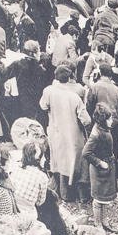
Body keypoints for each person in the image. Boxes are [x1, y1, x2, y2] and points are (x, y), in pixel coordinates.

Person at [39, 60, 87, 203]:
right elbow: (86, 119)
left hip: (55, 130)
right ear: (69, 77)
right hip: (72, 134)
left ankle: (58, 191)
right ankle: (70, 194)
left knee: (57, 159)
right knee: (72, 162)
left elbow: (42, 106)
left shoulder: (48, 91)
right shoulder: (74, 96)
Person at [83, 103, 118, 229]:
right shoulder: (96, 134)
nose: (111, 121)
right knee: (98, 199)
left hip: (107, 168)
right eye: (109, 119)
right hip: (100, 170)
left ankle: (104, 221)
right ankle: (98, 225)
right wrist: (100, 163)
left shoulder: (104, 129)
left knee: (105, 197)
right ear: (103, 120)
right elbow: (86, 153)